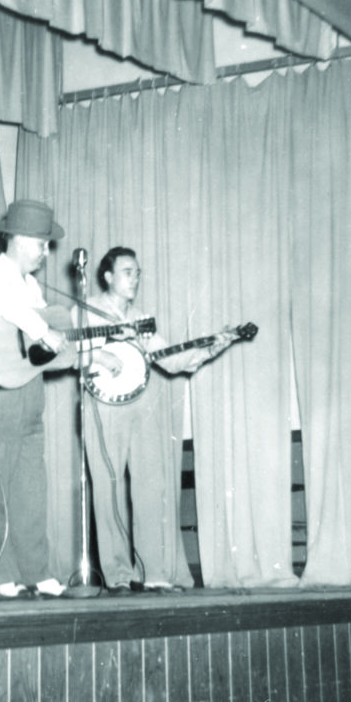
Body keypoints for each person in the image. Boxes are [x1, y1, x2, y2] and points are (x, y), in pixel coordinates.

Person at [79, 246, 230, 592]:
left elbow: (171, 359)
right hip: (103, 409)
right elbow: (68, 351)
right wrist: (99, 356)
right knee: (109, 492)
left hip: (140, 406)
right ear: (107, 276)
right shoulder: (86, 311)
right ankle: (118, 576)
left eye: (138, 273)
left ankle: (153, 574)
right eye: (128, 272)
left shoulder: (141, 318)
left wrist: (211, 347)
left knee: (150, 487)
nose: (135, 278)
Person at [0, 199, 73, 598]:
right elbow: (4, 306)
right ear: (15, 239)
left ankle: (37, 570)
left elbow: (47, 335)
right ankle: (2, 574)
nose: (45, 252)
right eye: (40, 244)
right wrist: (42, 330)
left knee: (31, 487)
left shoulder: (32, 286)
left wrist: (71, 344)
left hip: (30, 392)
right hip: (0, 392)